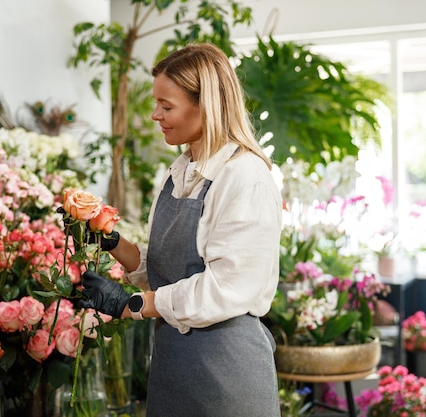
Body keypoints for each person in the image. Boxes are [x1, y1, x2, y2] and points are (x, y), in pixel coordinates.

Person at [81, 43, 282, 417]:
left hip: (226, 374)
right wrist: (107, 239)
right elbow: (161, 269)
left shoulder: (245, 176)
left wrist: (130, 305)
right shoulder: (181, 170)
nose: (155, 114)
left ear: (205, 105)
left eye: (167, 105)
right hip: (174, 367)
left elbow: (224, 288)